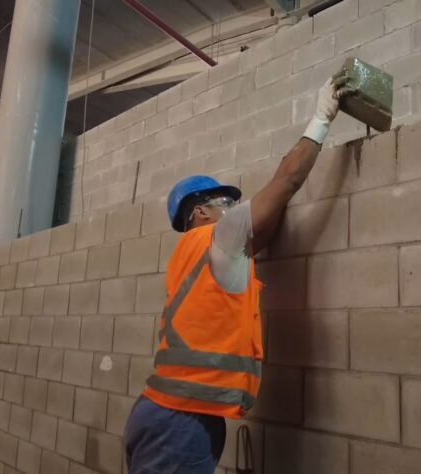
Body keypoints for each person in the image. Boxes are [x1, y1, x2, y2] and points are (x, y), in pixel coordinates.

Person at [124, 75, 353, 473]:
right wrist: (321, 117)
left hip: (168, 412)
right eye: (225, 201)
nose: (234, 206)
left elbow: (261, 232)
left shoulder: (193, 254)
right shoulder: (216, 237)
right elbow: (287, 181)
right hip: (180, 421)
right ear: (198, 212)